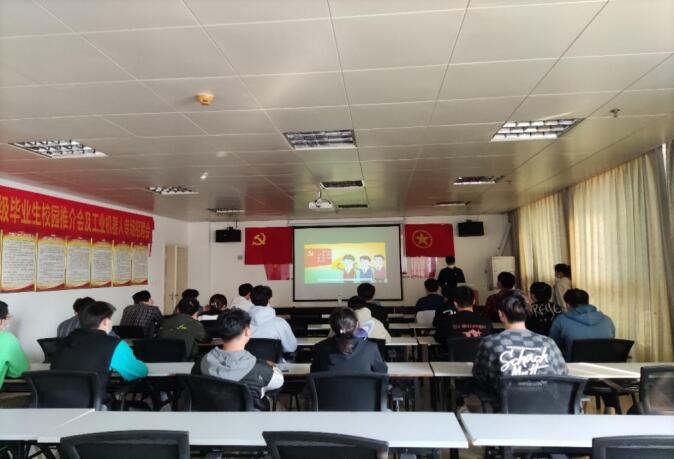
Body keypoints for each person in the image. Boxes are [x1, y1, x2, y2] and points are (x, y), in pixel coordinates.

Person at [472, 291, 567, 407]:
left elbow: (480, 375)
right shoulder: (548, 343)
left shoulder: (490, 343)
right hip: (546, 407)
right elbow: (562, 374)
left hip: (505, 407)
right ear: (527, 312)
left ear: (501, 314)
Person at [51, 301, 148, 397]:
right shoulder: (114, 344)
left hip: (53, 402)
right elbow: (140, 372)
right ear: (105, 321)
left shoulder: (63, 342)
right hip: (91, 404)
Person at [200, 309, 283, 408]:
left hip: (211, 415)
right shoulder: (260, 370)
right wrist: (273, 368)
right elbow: (278, 382)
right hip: (249, 417)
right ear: (247, 332)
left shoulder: (202, 363)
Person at [311, 307, 388, 373]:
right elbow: (383, 373)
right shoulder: (371, 348)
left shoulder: (320, 348)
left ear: (332, 327)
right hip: (363, 387)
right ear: (357, 325)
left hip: (330, 387)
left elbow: (315, 375)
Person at [549, 288, 615, 357]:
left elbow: (552, 345)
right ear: (587, 302)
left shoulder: (561, 320)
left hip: (573, 363)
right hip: (605, 362)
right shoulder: (607, 320)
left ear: (568, 305)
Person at [248, 285, 297, 353]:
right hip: (274, 359)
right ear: (269, 299)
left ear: (251, 300)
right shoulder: (280, 323)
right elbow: (291, 347)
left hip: (248, 359)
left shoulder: (242, 324)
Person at [0, 301, 29, 391]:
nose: (8, 320)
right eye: (8, 317)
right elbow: (20, 371)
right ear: (1, 321)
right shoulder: (7, 339)